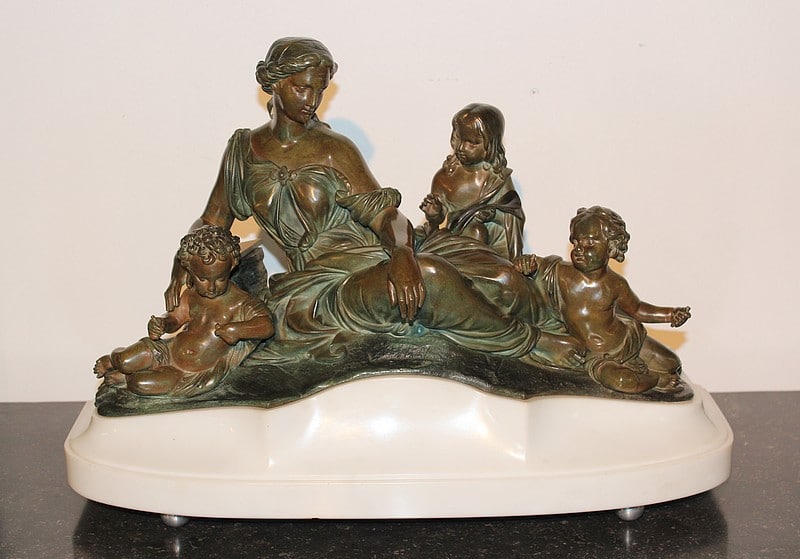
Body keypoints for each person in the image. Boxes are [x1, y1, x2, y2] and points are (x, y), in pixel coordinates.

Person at [164, 37, 580, 365]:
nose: (311, 100)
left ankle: (585, 323)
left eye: (319, 90)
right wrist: (183, 264)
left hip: (375, 255)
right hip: (319, 287)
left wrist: (401, 254)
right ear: (273, 83)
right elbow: (212, 221)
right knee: (433, 280)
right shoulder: (243, 152)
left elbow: (387, 217)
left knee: (504, 281)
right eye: (301, 87)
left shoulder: (335, 149)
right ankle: (530, 343)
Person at [515, 206, 691, 393]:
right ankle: (657, 379)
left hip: (627, 341)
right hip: (596, 356)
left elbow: (638, 309)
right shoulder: (559, 273)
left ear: (611, 247)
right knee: (624, 382)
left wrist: (670, 315)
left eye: (590, 243)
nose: (580, 249)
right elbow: (534, 264)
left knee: (672, 363)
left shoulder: (615, 284)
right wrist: (525, 265)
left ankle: (653, 372)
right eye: (576, 243)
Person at [95, 226, 274, 396]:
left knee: (140, 383)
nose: (211, 287)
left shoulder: (241, 302)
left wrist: (237, 330)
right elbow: (175, 319)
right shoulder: (191, 295)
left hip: (186, 372)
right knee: (124, 360)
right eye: (203, 279)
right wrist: (163, 324)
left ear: (232, 266)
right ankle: (113, 361)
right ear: (189, 270)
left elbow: (266, 326)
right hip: (167, 351)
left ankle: (125, 378)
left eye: (220, 279)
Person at [419, 103, 524, 261]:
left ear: (491, 145)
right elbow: (437, 223)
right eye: (458, 138)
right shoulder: (444, 178)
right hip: (453, 246)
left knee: (477, 231)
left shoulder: (498, 180)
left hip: (492, 250)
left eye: (472, 143)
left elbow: (512, 216)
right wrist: (434, 214)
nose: (461, 147)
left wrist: (491, 212)